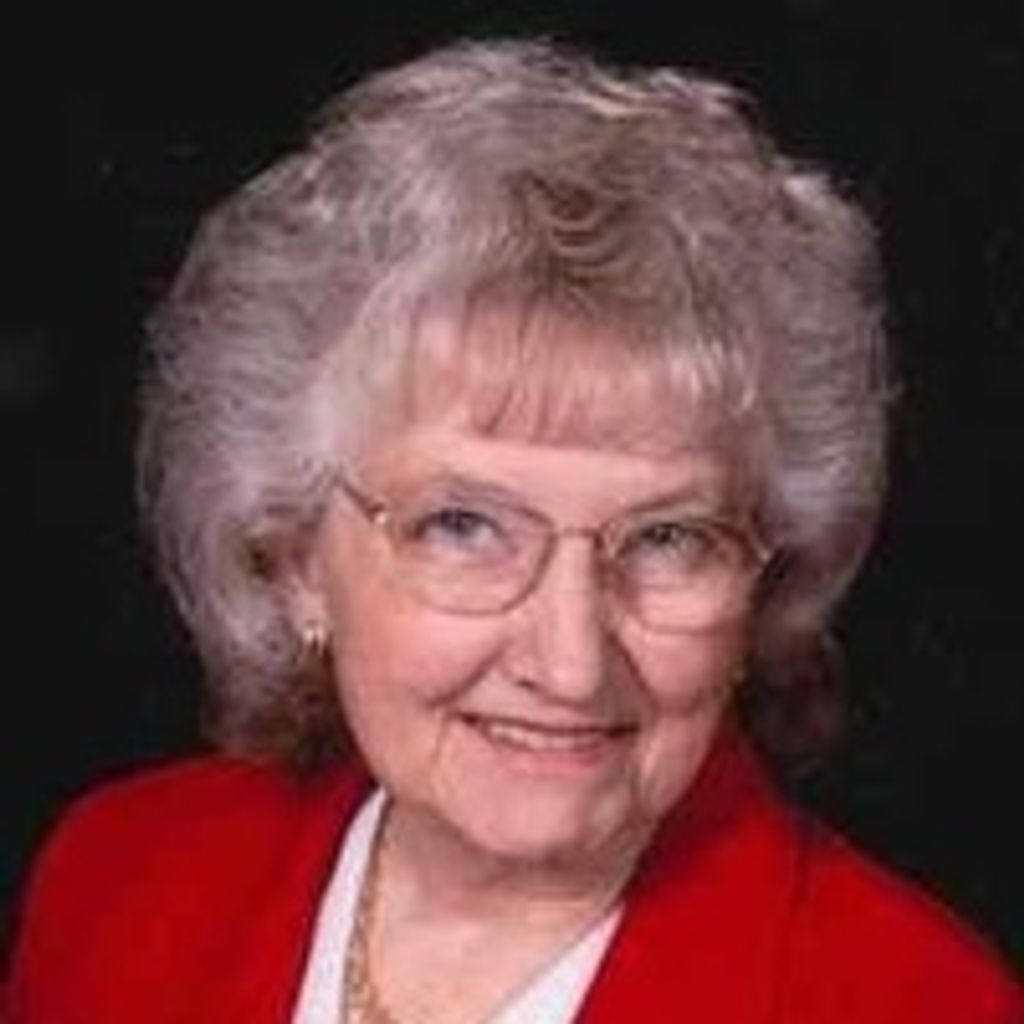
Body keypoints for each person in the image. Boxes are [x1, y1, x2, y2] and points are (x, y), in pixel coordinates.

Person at [5, 37, 1020, 1024]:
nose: (570, 665)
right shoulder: (118, 879)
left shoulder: (917, 1003)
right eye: (463, 526)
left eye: (668, 538)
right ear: (297, 556)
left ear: (764, 573)